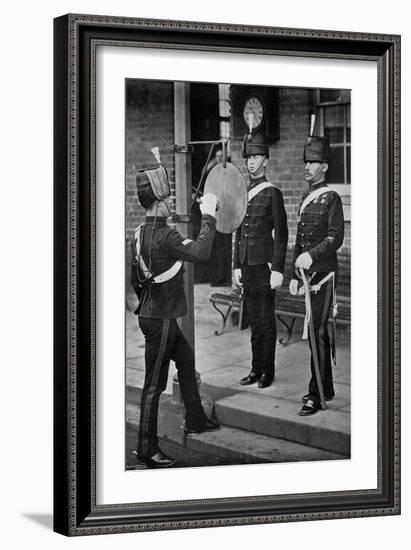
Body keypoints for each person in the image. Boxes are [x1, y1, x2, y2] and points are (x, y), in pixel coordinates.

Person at [131, 160, 220, 468]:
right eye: (166, 199)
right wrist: (208, 215)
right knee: (153, 385)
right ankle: (147, 449)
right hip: (162, 319)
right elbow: (201, 252)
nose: (170, 204)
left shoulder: (139, 233)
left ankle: (195, 419)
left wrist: (149, 302)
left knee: (186, 359)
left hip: (153, 314)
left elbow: (135, 279)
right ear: (158, 201)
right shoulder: (166, 236)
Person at [289, 135, 345, 416]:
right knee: (315, 335)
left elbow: (336, 237)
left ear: (324, 165)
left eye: (312, 162)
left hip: (324, 277)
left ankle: (316, 394)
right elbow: (299, 239)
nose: (307, 167)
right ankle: (327, 387)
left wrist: (312, 255)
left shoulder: (332, 198)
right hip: (307, 278)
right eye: (306, 162)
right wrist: (294, 275)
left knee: (318, 333)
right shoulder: (304, 198)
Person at [233, 132, 288, 388]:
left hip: (264, 267)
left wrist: (278, 268)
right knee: (253, 321)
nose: (251, 162)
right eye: (248, 158)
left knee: (266, 321)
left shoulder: (272, 193)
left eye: (256, 157)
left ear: (265, 160)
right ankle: (255, 369)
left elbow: (282, 234)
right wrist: (235, 265)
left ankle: (268, 371)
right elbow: (237, 229)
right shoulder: (243, 192)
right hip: (247, 265)